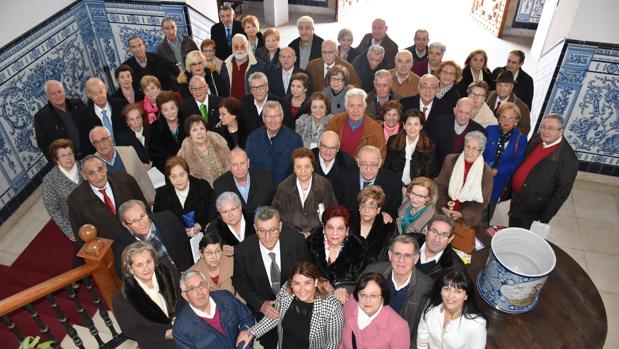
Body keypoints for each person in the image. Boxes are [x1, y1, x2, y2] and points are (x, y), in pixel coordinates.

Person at [233, 206, 311, 349]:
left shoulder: (296, 241)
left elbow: (307, 272)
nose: (268, 237)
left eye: (273, 230)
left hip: (297, 309)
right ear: (255, 228)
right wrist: (260, 304)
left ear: (280, 226)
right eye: (261, 231)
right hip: (265, 314)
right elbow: (239, 281)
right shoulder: (242, 250)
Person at [236, 261, 344, 349]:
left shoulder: (332, 307)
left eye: (307, 283)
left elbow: (332, 344)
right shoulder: (286, 291)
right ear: (291, 283)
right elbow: (275, 316)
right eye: (296, 283)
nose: (302, 289)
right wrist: (252, 332)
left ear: (315, 282)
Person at [509, 114, 578, 229]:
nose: (545, 131)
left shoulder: (568, 159)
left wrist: (544, 218)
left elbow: (561, 193)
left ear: (561, 131)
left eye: (550, 128)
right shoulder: (536, 139)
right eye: (543, 127)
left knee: (522, 239)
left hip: (532, 210)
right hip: (517, 199)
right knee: (512, 229)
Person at [363, 235, 433, 348]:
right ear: (390, 255)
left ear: (416, 259)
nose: (401, 260)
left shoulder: (427, 288)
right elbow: (355, 295)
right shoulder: (373, 271)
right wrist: (344, 289)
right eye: (397, 254)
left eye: (407, 256)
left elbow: (422, 330)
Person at [68, 155, 147, 249]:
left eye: (100, 169)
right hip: (110, 250)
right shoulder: (76, 201)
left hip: (142, 238)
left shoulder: (125, 179)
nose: (99, 176)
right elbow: (81, 236)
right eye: (91, 173)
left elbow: (145, 208)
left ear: (105, 168)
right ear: (84, 176)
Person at [112, 242, 181, 349]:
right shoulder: (121, 299)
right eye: (139, 265)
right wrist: (166, 334)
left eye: (149, 261)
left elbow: (184, 296)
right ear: (130, 269)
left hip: (185, 326)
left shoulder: (168, 270)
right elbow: (132, 330)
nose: (146, 269)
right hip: (158, 342)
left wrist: (183, 320)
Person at [173, 270, 254, 349]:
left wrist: (246, 333)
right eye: (192, 289)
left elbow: (247, 317)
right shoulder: (181, 329)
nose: (200, 292)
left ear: (208, 286)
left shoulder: (226, 298)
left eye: (202, 285)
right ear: (185, 296)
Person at [307, 205, 367, 304]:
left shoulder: (359, 248)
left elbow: (364, 281)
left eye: (340, 228)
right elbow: (303, 274)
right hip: (315, 300)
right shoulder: (311, 245)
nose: (335, 233)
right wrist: (319, 281)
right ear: (323, 228)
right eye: (330, 228)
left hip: (348, 302)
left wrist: (346, 289)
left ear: (347, 230)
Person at [114, 200, 194, 274]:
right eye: (134, 221)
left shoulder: (168, 218)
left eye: (142, 216)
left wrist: (186, 271)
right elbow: (126, 274)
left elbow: (184, 245)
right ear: (125, 225)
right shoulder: (121, 247)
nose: (141, 223)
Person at [272, 147, 337, 237]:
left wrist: (312, 233)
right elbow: (277, 217)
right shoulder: (283, 188)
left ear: (313, 167)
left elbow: (332, 214)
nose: (303, 171)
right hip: (291, 237)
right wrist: (298, 235)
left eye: (307, 166)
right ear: (294, 168)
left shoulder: (325, 185)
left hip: (319, 236)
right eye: (299, 167)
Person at [417, 268, 487, 349]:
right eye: (446, 289)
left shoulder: (477, 324)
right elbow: (422, 337)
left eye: (458, 291)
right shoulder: (431, 308)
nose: (450, 296)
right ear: (441, 291)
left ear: (466, 296)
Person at [435, 131, 493, 227]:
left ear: (481, 151)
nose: (470, 152)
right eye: (468, 146)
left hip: (467, 219)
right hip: (444, 211)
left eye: (475, 149)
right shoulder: (450, 160)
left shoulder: (487, 172)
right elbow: (440, 186)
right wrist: (442, 207)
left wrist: (462, 214)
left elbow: (483, 202)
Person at [339, 272, 410, 349]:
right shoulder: (349, 305)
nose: (367, 300)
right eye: (363, 295)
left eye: (373, 296)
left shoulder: (399, 327)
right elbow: (343, 343)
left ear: (383, 297)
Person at [482, 102, 527, 222]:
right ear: (499, 118)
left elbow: (516, 163)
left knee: (487, 211)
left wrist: (498, 171)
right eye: (504, 117)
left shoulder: (520, 139)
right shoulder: (489, 130)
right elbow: (479, 150)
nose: (506, 121)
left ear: (516, 120)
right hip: (481, 174)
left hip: (499, 179)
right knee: (473, 204)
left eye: (511, 118)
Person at [90, 126, 155, 206]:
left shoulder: (129, 152)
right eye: (96, 142)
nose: (101, 144)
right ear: (93, 145)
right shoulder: (92, 164)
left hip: (139, 203)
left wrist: (152, 201)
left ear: (111, 138)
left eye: (104, 139)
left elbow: (143, 178)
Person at [334, 145, 402, 218]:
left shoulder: (394, 181)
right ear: (358, 162)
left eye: (373, 165)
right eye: (363, 164)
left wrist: (388, 215)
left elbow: (394, 208)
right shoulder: (343, 178)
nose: (368, 169)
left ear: (380, 163)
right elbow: (338, 205)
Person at [154, 156, 215, 236]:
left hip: (206, 233)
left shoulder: (202, 186)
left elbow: (214, 210)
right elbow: (160, 221)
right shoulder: (162, 195)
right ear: (168, 178)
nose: (178, 180)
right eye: (173, 177)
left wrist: (201, 225)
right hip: (177, 238)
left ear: (187, 173)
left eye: (181, 175)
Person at [245, 101, 303, 182]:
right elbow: (249, 167)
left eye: (276, 116)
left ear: (282, 117)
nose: (273, 120)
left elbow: (298, 168)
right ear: (263, 118)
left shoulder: (295, 139)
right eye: (269, 116)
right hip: (260, 187)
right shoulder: (253, 139)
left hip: (286, 189)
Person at [325, 88, 386, 159]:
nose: (355, 110)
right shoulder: (334, 122)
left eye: (359, 106)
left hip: (361, 168)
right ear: (346, 107)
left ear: (365, 106)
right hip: (336, 166)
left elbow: (380, 157)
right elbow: (325, 147)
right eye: (351, 106)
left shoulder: (376, 129)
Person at [431, 97, 486, 173]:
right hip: (437, 170)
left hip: (463, 173)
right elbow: (431, 149)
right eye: (460, 112)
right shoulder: (440, 122)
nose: (463, 116)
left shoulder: (480, 131)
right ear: (454, 110)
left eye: (467, 113)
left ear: (472, 114)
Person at [213, 147, 276, 213]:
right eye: (235, 164)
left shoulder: (265, 178)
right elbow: (220, 213)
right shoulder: (220, 186)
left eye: (242, 163)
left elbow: (275, 205)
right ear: (229, 166)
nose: (239, 168)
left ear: (248, 163)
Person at [42, 139, 82, 241]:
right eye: (63, 156)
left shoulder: (84, 166)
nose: (68, 158)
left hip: (98, 215)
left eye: (70, 153)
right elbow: (53, 209)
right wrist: (69, 231)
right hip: (75, 224)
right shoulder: (50, 180)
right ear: (56, 159)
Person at [34, 80, 85, 160]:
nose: (58, 96)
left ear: (64, 91)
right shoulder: (41, 117)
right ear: (48, 96)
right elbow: (43, 144)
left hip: (90, 153)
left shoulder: (77, 104)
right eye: (53, 94)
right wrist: (58, 161)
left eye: (59, 91)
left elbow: (91, 126)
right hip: (67, 162)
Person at [77, 77, 129, 155]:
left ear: (105, 88)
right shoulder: (83, 116)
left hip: (127, 151)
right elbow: (86, 144)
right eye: (95, 94)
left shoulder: (122, 105)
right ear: (89, 95)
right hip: (102, 158)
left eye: (101, 91)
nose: (99, 96)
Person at [177, 114, 230, 187]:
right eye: (194, 130)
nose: (199, 133)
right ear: (189, 133)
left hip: (227, 183)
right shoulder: (184, 154)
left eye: (202, 128)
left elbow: (230, 163)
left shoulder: (218, 142)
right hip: (203, 191)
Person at [385, 109, 435, 184]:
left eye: (416, 124)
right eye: (409, 124)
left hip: (416, 187)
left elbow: (427, 175)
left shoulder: (428, 146)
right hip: (394, 184)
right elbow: (387, 168)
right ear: (404, 125)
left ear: (421, 126)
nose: (412, 128)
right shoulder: (393, 141)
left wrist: (411, 189)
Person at [351, 185, 398, 264]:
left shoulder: (388, 228)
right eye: (363, 205)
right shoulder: (348, 222)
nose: (366, 210)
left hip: (375, 274)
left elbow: (392, 256)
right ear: (359, 207)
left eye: (371, 206)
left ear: (378, 210)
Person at [413, 215, 466, 279]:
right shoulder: (408, 241)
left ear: (450, 239)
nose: (437, 239)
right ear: (426, 230)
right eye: (434, 231)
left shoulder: (455, 269)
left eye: (444, 235)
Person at [399, 74, 451, 139]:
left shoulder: (446, 108)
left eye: (432, 87)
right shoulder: (404, 104)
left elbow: (444, 135)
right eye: (424, 86)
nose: (428, 91)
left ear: (437, 89)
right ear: (418, 88)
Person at [220, 33, 268, 99]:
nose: (239, 50)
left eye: (242, 46)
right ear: (232, 47)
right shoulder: (225, 64)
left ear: (247, 46)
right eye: (236, 47)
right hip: (232, 106)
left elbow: (265, 90)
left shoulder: (260, 65)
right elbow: (223, 89)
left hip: (251, 106)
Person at [150, 91, 186, 172]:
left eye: (172, 108)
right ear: (161, 111)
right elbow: (156, 156)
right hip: (170, 171)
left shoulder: (188, 122)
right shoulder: (155, 129)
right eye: (165, 110)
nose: (170, 113)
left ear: (177, 107)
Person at [486, 70, 531, 136]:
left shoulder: (522, 108)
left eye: (506, 85)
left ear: (512, 87)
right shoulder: (485, 96)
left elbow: (524, 130)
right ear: (495, 85)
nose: (502, 88)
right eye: (499, 85)